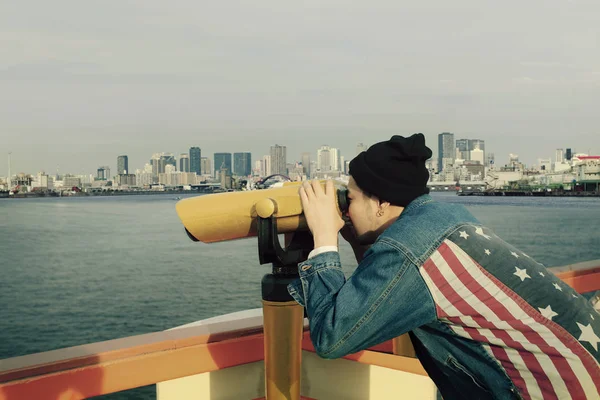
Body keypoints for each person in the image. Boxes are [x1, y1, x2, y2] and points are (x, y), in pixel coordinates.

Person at [287, 133, 600, 400]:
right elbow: (384, 296)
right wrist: (357, 240)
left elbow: (333, 337)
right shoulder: (445, 219)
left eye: (350, 199)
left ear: (381, 202)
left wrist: (324, 240)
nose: (346, 211)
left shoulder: (408, 250)